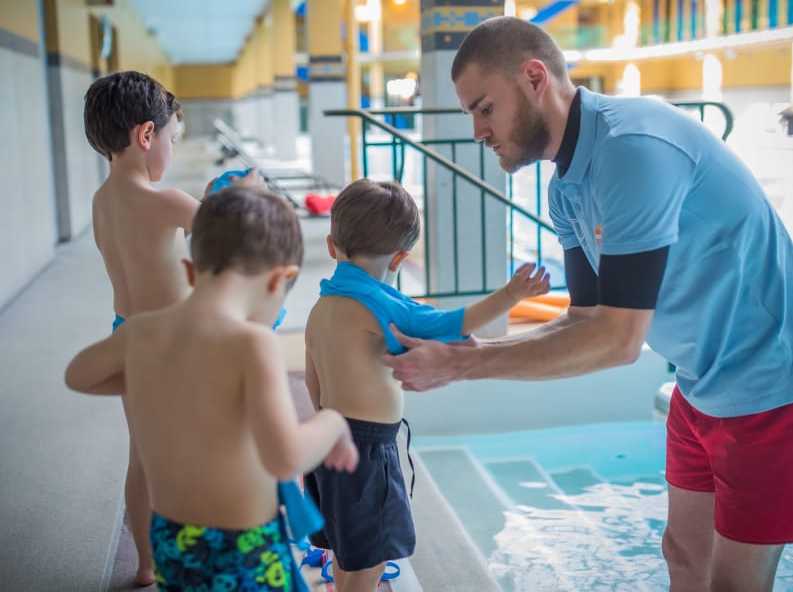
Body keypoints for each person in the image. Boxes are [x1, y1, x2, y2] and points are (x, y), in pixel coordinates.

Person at [382, 16, 793, 592]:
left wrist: (462, 365)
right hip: (703, 377)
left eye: (485, 108)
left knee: (733, 582)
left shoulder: (632, 149)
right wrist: (472, 350)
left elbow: (619, 341)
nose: (479, 131)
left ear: (534, 78)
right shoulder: (564, 188)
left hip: (774, 377)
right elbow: (584, 319)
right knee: (683, 552)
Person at [65, 187, 359, 590]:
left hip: (173, 543)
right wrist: (333, 424)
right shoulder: (252, 343)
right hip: (243, 551)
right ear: (281, 279)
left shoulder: (141, 332)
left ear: (189, 271)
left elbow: (79, 375)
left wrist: (152, 375)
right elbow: (284, 457)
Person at [303, 178, 550, 591]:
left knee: (349, 551)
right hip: (367, 451)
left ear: (332, 246)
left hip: (328, 441)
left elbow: (313, 380)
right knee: (371, 562)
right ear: (400, 258)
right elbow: (454, 323)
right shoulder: (380, 305)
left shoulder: (322, 306)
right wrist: (511, 294)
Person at [83, 70, 261, 585]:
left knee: (142, 456)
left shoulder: (101, 201)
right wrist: (241, 195)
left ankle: (145, 565)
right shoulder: (168, 202)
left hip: (127, 337)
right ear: (146, 135)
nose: (173, 148)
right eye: (173, 138)